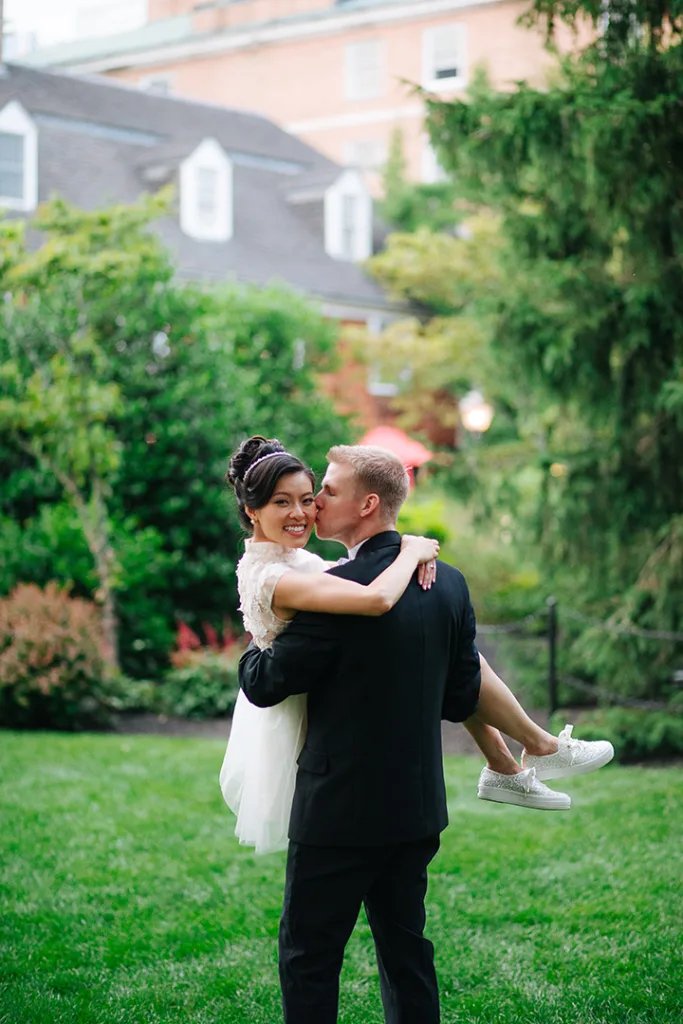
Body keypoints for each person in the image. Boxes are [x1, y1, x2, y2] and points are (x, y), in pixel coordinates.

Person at [236, 439, 613, 1024]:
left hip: (336, 812)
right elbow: (462, 694)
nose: (311, 509)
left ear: (364, 505)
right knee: (407, 954)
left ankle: (529, 753)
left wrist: (255, 647)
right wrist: (411, 555)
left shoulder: (335, 596)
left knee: (309, 959)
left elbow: (265, 684)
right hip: (414, 808)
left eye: (323, 493)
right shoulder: (449, 584)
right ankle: (528, 754)